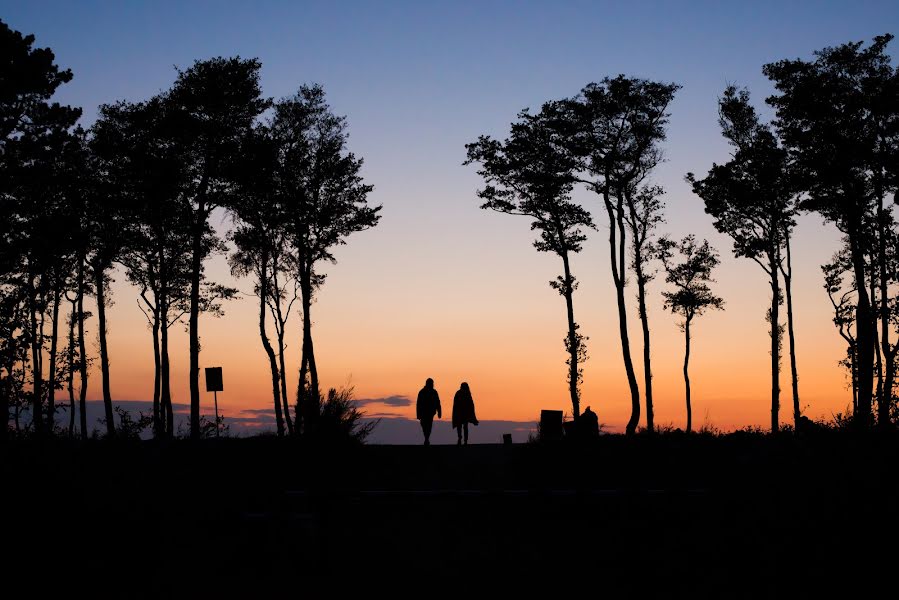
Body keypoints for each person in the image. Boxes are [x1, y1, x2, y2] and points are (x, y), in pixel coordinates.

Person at [416, 377, 441, 445]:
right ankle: (426, 438)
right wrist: (418, 414)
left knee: (428, 425)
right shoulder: (422, 392)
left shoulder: (434, 392)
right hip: (424, 412)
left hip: (430, 413)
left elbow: (438, 402)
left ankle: (426, 438)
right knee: (424, 425)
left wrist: (439, 412)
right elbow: (418, 404)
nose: (432, 384)